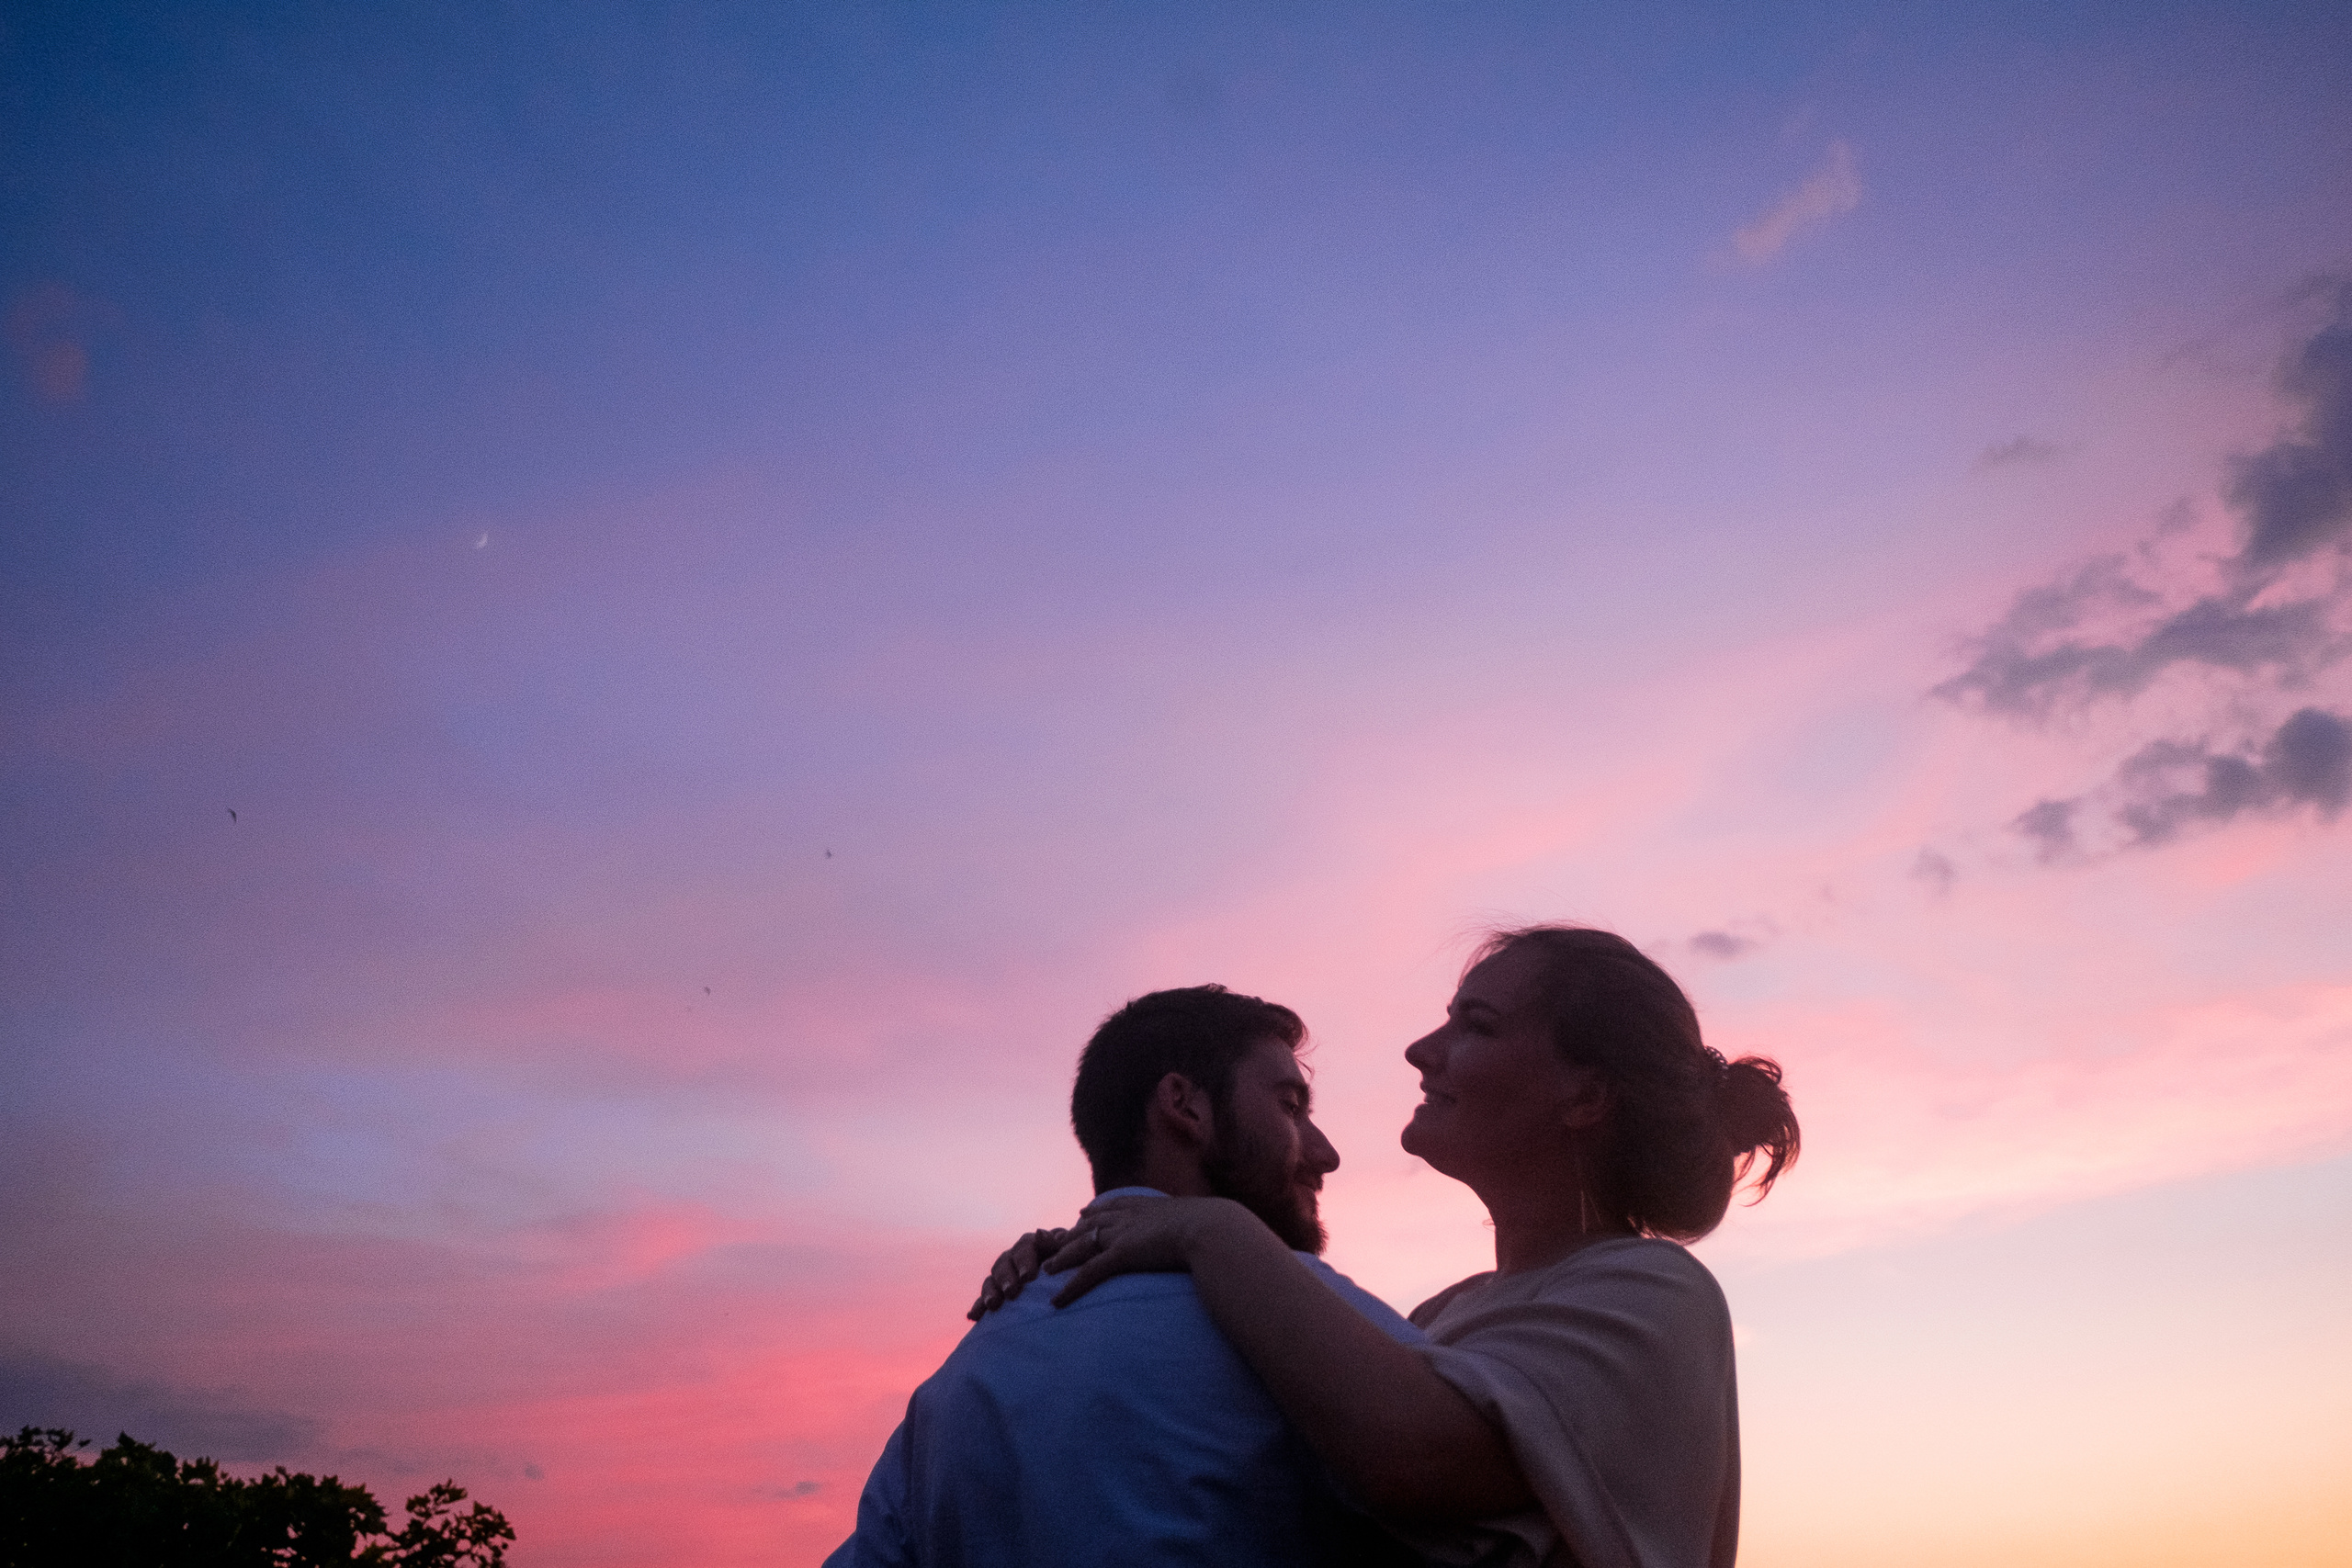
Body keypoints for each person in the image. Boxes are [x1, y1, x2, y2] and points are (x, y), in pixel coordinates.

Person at [984, 927, 1801, 1568]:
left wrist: (1206, 1227)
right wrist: (1095, 1263)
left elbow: (1412, 1458)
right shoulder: (1441, 1314)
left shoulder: (1656, 1291)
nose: (1421, 1049)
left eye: (1474, 1023)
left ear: (1584, 1095)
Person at [822, 985, 1429, 1568]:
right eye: (1289, 1106)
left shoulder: (950, 1391)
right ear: (1184, 1105)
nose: (1325, 1154)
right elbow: (1495, 1489)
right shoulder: (1307, 1323)